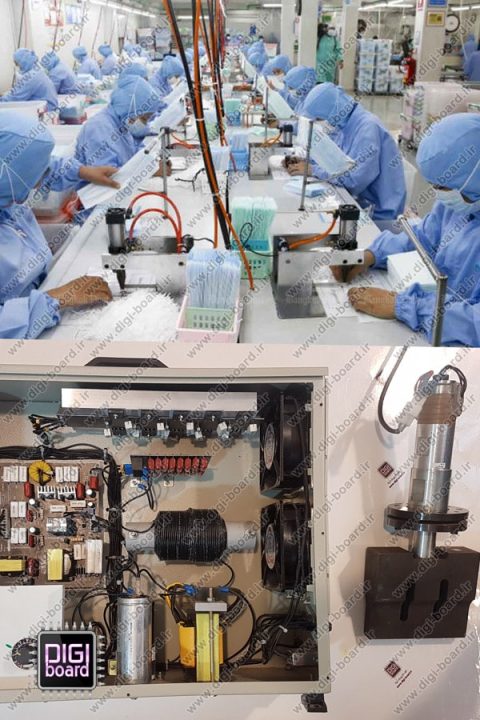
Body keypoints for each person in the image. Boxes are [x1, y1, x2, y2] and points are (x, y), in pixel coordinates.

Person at [336, 113, 480, 346]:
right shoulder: (464, 201)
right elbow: (423, 237)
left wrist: (402, 306)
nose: (439, 194)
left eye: (444, 187)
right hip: (437, 329)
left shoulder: (467, 196)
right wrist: (372, 255)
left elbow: (475, 323)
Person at [0, 110, 121, 338]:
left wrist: (83, 171)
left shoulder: (7, 185)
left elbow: (42, 165)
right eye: (32, 179)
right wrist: (53, 300)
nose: (38, 184)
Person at [287, 83, 405, 223]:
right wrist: (307, 161)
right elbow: (335, 158)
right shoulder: (345, 124)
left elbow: (354, 180)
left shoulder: (367, 129)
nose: (319, 123)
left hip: (377, 216)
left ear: (333, 110)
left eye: (319, 119)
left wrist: (313, 170)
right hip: (356, 201)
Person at [75, 75, 161, 170]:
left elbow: (135, 153)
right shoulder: (99, 128)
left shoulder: (122, 125)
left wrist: (153, 162)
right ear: (130, 107)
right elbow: (107, 175)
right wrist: (150, 171)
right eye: (144, 118)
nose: (144, 124)